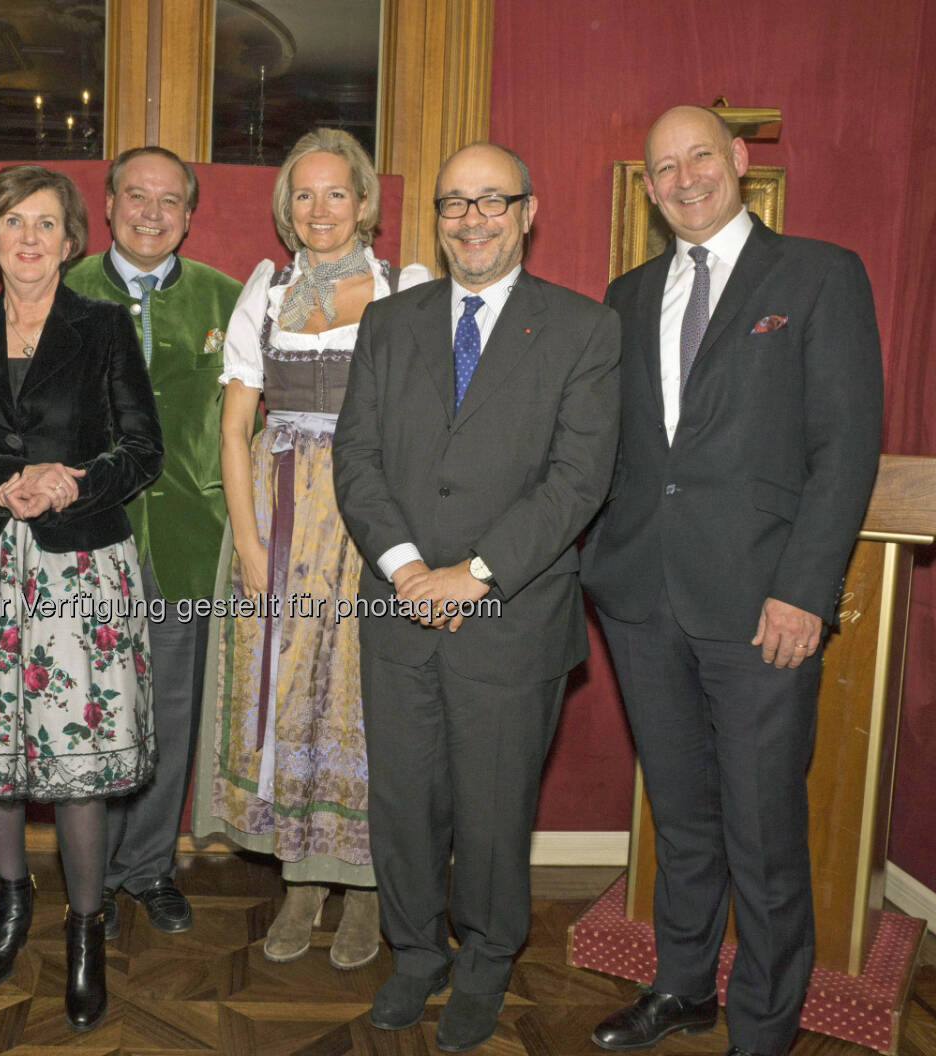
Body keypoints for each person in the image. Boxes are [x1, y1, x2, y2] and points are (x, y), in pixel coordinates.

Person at [581, 105, 883, 1056]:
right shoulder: (624, 297)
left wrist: (805, 590)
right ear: (648, 186)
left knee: (763, 829)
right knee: (680, 813)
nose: (683, 179)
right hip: (642, 600)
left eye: (699, 158)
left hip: (764, 608)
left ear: (740, 162)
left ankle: (763, 1024)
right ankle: (682, 987)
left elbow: (844, 451)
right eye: (662, 168)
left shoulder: (820, 275)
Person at [333, 142, 620, 1051]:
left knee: (496, 811)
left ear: (528, 212)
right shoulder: (390, 323)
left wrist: (477, 573)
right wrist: (409, 567)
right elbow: (358, 458)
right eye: (455, 203)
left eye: (492, 201)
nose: (472, 219)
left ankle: (488, 958)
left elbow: (580, 480)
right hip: (400, 606)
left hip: (512, 615)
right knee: (404, 802)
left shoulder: (582, 329)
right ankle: (416, 952)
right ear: (438, 219)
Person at [0, 163, 163, 1033]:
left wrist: (68, 485)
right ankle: (11, 902)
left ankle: (86, 928)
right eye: (13, 221)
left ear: (70, 239)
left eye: (47, 223)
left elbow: (142, 452)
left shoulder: (103, 327)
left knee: (76, 760)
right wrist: (2, 480)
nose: (28, 238)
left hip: (79, 569)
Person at [192, 127, 430, 970]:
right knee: (287, 693)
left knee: (364, 702)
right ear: (285, 209)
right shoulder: (267, 287)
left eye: (337, 193)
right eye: (304, 194)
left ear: (365, 202)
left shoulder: (410, 287)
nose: (320, 210)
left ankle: (365, 888)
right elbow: (232, 426)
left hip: (372, 516)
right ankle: (301, 880)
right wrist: (251, 546)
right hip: (281, 514)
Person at [63, 146, 241, 937]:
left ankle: (148, 867)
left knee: (170, 710)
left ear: (190, 215)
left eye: (171, 201)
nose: (153, 213)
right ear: (107, 204)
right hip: (80, 545)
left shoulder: (228, 301)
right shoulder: (60, 292)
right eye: (138, 196)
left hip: (185, 544)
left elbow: (253, 424)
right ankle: (86, 878)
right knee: (86, 712)